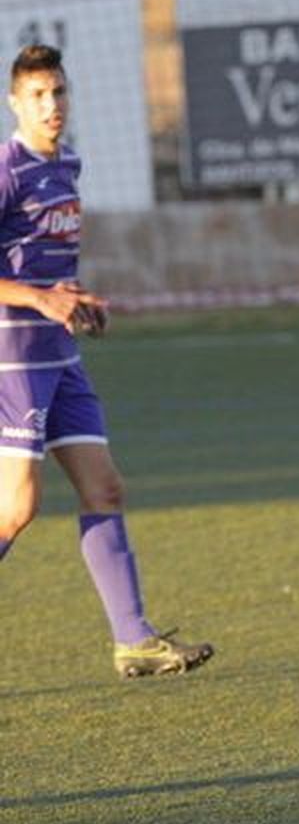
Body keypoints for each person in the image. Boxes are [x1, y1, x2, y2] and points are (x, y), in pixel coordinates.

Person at [0, 44, 213, 678]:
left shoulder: (69, 164)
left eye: (59, 92)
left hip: (59, 353)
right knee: (17, 507)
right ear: (15, 102)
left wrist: (77, 304)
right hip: (12, 356)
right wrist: (39, 298)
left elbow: (48, 265)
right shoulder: (7, 168)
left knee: (105, 487)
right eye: (38, 95)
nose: (51, 105)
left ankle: (134, 640)